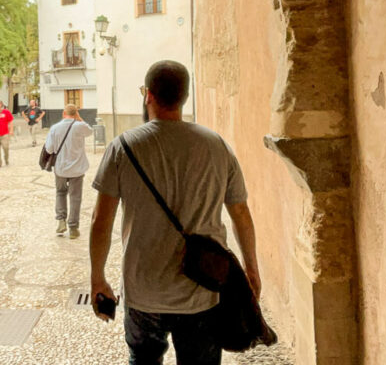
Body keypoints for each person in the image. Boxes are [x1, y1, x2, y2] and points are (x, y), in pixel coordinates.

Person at [88, 61, 262, 365]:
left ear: (148, 95)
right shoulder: (217, 145)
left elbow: (100, 221)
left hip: (144, 291)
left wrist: (97, 278)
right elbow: (241, 212)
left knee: (143, 360)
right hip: (201, 288)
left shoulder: (122, 147)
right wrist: (251, 267)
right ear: (184, 97)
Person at [44, 104, 93, 238]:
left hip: (60, 168)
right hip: (77, 169)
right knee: (75, 197)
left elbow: (49, 149)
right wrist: (79, 118)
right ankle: (73, 228)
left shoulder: (54, 128)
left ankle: (61, 220)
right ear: (76, 114)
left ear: (63, 113)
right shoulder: (80, 126)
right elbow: (90, 131)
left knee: (60, 193)